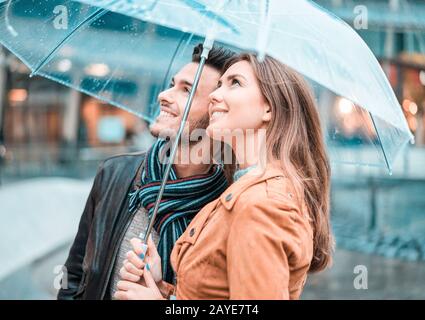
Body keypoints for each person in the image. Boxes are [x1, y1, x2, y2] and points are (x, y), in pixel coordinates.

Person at [115, 53, 334, 300]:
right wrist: (164, 290)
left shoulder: (262, 206)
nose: (214, 95)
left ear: (269, 108)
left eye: (235, 83)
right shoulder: (243, 190)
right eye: (219, 85)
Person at [57, 44, 236, 300]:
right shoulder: (114, 174)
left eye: (186, 90)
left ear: (217, 111)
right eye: (172, 84)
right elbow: (73, 276)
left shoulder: (227, 205)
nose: (164, 94)